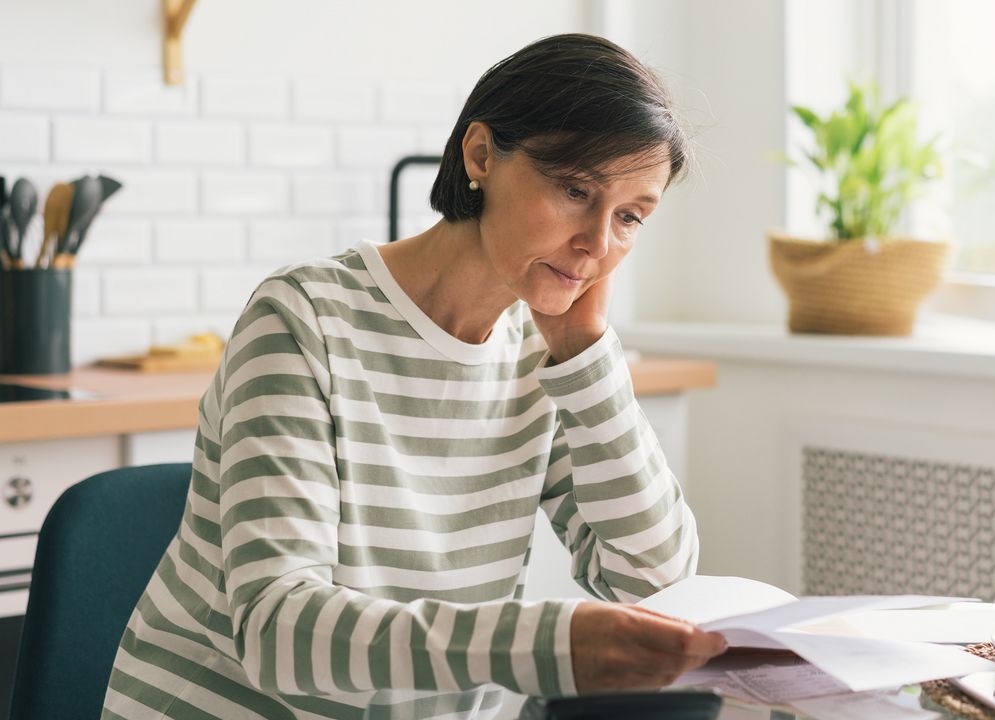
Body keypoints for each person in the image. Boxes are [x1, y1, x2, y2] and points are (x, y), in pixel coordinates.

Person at [102, 33, 726, 720]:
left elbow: (657, 587)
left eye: (631, 217)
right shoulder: (303, 320)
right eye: (576, 190)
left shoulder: (546, 357)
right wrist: (541, 642)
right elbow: (279, 634)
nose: (599, 245)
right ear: (481, 154)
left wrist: (587, 359)